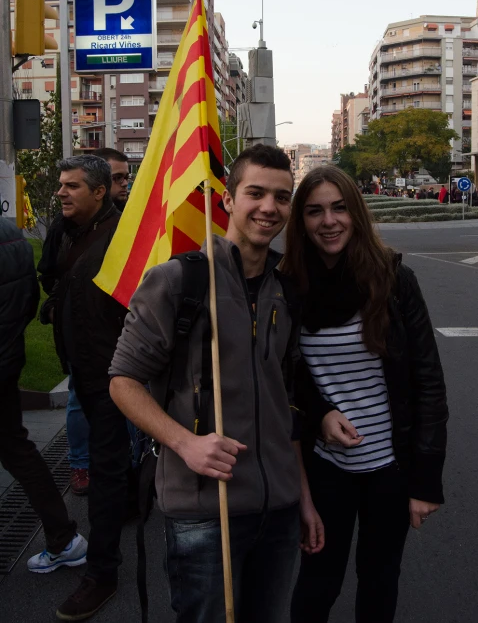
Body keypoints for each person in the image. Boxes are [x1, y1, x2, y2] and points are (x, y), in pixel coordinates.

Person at [109, 144, 323, 623]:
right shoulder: (175, 282)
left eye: (282, 197)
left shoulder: (287, 289)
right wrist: (185, 444)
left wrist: (303, 499)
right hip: (205, 508)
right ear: (227, 199)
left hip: (280, 509)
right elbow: (123, 381)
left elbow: (287, 404)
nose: (270, 207)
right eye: (256, 193)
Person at [282, 166, 448, 623]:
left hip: (390, 468)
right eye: (314, 211)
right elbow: (287, 379)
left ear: (356, 213)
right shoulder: (288, 286)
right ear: (301, 221)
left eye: (339, 208)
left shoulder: (395, 280)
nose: (328, 221)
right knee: (319, 580)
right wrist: (319, 415)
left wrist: (425, 481)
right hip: (324, 467)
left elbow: (428, 381)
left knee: (380, 580)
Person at [40, 156, 131, 621]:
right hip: (80, 364)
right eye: (60, 185)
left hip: (114, 375)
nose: (61, 192)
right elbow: (52, 274)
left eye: (72, 186)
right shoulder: (63, 228)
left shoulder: (125, 236)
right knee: (112, 471)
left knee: (107, 473)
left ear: (100, 192)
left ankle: (102, 573)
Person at [0, 217, 88, 573]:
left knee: (16, 450)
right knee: (17, 449)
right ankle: (62, 537)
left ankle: (63, 538)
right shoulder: (12, 233)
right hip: (8, 358)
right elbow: (29, 297)